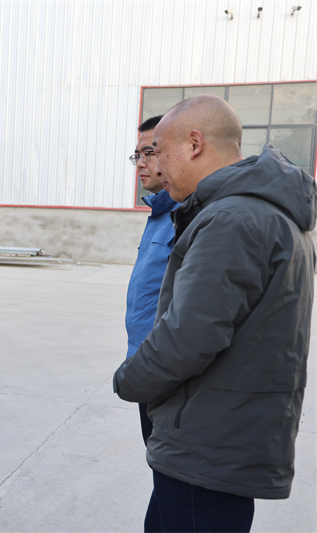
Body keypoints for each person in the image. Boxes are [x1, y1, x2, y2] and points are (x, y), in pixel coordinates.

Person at [113, 95, 316, 532]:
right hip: (223, 434)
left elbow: (188, 338)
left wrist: (128, 380)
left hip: (208, 441)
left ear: (194, 144)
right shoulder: (266, 213)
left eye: (159, 151)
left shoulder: (232, 219)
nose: (156, 166)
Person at [124, 114, 178, 446]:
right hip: (144, 363)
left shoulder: (188, 215)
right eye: (137, 155)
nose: (141, 163)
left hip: (168, 370)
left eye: (149, 152)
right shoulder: (159, 214)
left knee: (170, 463)